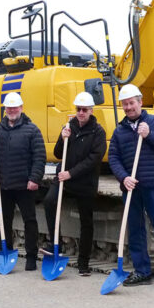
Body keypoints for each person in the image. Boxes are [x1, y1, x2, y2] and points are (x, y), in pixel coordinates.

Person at [107, 83, 154, 290]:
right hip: (131, 188)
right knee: (136, 230)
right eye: (125, 104)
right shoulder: (120, 131)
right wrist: (123, 178)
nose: (128, 107)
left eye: (131, 103)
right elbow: (113, 157)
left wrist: (150, 135)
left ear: (140, 102)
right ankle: (142, 271)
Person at [43, 91, 107, 276]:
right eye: (78, 109)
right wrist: (63, 138)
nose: (81, 112)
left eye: (84, 110)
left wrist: (71, 173)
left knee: (86, 221)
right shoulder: (69, 127)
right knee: (49, 201)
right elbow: (57, 153)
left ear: (91, 111)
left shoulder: (98, 132)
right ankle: (56, 242)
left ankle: (83, 262)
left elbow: (94, 159)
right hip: (64, 178)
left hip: (84, 181)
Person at [0, 91, 45, 271]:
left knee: (30, 221)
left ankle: (31, 258)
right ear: (5, 110)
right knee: (4, 221)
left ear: (21, 108)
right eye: (8, 108)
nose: (11, 110)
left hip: (25, 185)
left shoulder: (32, 129)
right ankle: (5, 254)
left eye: (15, 107)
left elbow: (39, 157)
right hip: (4, 184)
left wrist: (34, 179)